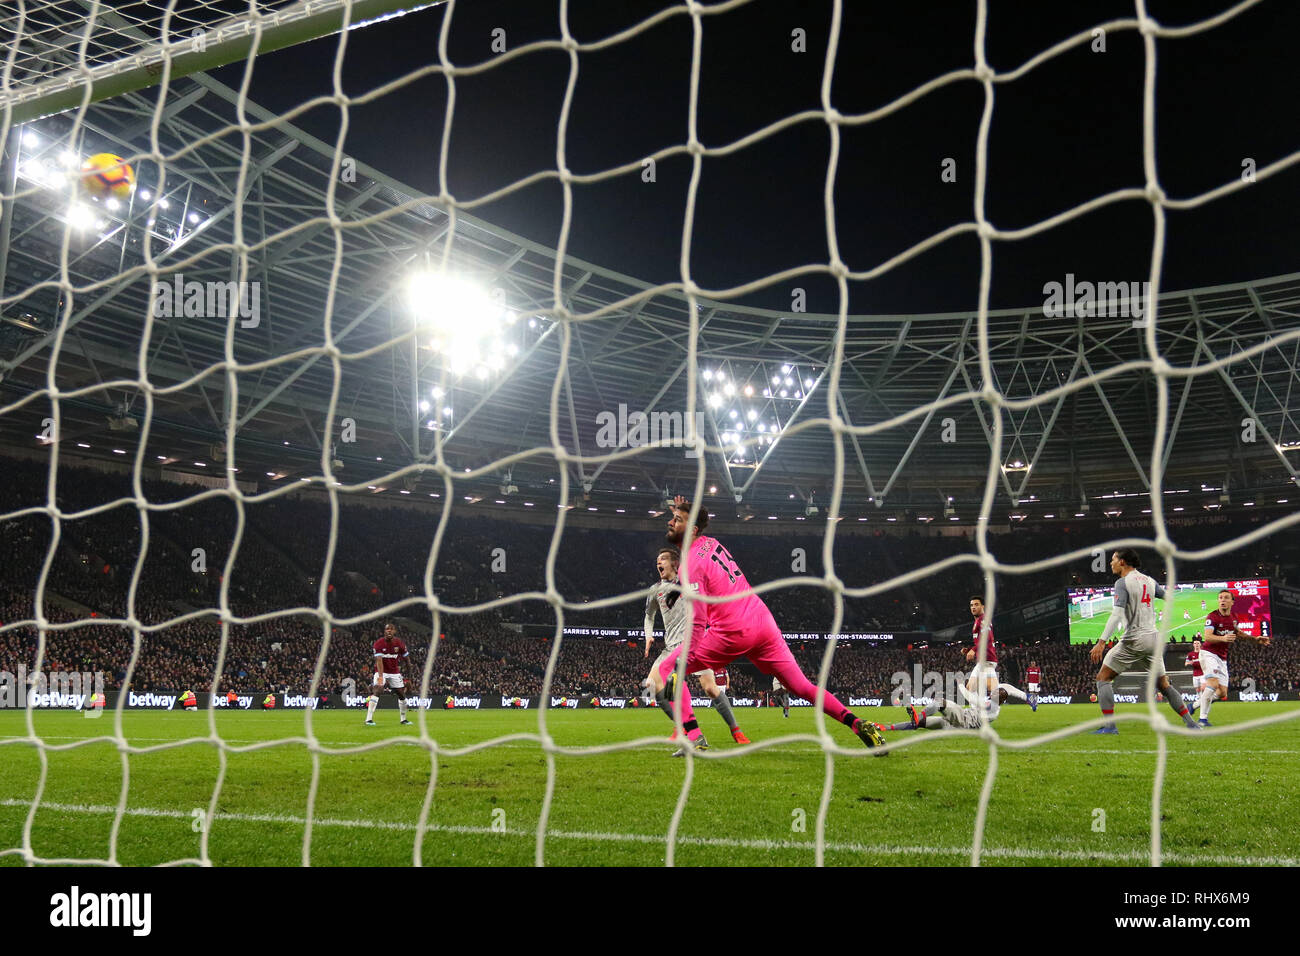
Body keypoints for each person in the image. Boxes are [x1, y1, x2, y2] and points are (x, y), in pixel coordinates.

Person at [654, 496, 884, 754]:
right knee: (802, 687)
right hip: (762, 622)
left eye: (677, 519)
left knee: (669, 667)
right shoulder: (711, 543)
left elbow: (698, 620)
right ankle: (856, 723)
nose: (670, 522)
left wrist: (685, 656)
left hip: (732, 630)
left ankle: (694, 737)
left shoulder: (691, 564)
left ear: (693, 529)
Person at [643, 547, 750, 744]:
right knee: (651, 685)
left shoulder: (690, 583)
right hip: (670, 648)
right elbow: (649, 615)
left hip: (695, 644)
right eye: (657, 560)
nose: (659, 563)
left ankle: (736, 731)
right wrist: (648, 636)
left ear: (675, 564)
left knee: (710, 687)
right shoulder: (655, 590)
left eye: (663, 559)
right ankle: (683, 727)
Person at [1089, 549, 1198, 734]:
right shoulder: (1149, 580)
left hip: (1134, 639)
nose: (1111, 563)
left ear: (1122, 562)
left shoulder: (1122, 583)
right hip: (1154, 639)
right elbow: (1168, 597)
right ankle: (1191, 724)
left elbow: (1116, 614)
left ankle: (1110, 726)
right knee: (1164, 685)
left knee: (1103, 678)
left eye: (1113, 560)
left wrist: (1101, 642)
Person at [1198, 589, 1270, 727]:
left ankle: (1194, 705)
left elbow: (1237, 632)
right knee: (1212, 684)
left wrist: (1255, 639)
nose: (1222, 600)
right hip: (1208, 653)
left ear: (1232, 601)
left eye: (1226, 598)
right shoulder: (1212, 616)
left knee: (1221, 693)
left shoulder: (1233, 618)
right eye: (1220, 598)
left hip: (1222, 657)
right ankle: (1202, 720)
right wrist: (1223, 638)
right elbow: (1207, 636)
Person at [366, 621, 412, 726]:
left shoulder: (399, 643)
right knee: (378, 690)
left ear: (394, 631)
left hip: (394, 672)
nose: (389, 630)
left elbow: (407, 661)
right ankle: (368, 719)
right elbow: (379, 661)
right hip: (381, 671)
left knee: (401, 694)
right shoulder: (379, 643)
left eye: (391, 629)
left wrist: (409, 678)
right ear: (384, 631)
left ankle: (403, 719)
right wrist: (381, 677)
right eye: (387, 629)